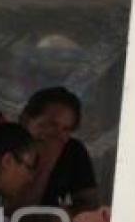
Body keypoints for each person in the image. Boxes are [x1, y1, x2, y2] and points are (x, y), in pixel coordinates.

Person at [16, 86, 98, 214]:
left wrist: (66, 214)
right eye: (51, 125)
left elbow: (90, 203)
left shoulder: (73, 150)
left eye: (66, 129)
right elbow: (16, 211)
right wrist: (47, 161)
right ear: (26, 120)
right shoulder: (9, 146)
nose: (57, 135)